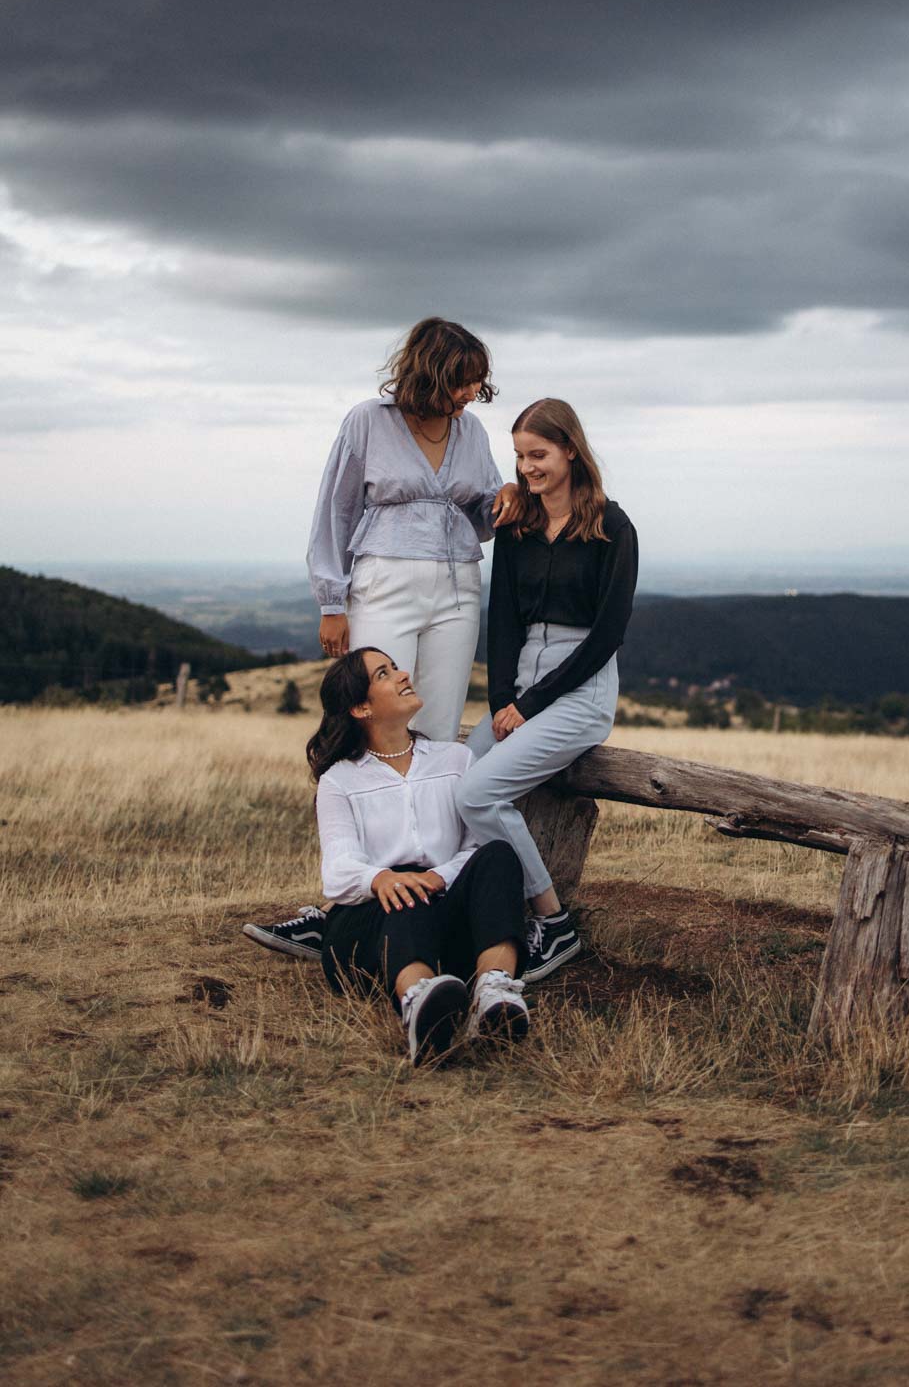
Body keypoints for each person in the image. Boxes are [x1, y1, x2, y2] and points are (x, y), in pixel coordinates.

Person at [243, 316, 517, 961]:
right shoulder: (367, 421)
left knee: (441, 737)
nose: (476, 391)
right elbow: (335, 511)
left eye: (479, 381)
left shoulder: (472, 430)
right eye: (465, 379)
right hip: (383, 582)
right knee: (371, 725)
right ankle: (350, 900)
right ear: (434, 371)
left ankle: (436, 890)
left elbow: (478, 518)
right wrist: (332, 601)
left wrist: (500, 498)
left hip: (457, 590)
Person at [458, 398, 638, 983]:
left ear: (570, 450)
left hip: (579, 692)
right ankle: (469, 910)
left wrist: (530, 707)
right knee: (458, 775)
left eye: (538, 454)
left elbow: (607, 636)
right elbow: (504, 619)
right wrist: (501, 705)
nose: (528, 467)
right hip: (519, 689)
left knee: (477, 794)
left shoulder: (614, 527)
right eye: (519, 456)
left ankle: (553, 921)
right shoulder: (519, 526)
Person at [312, 646, 530, 1065]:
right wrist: (381, 879)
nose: (402, 674)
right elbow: (337, 871)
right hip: (368, 931)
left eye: (394, 667)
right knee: (406, 884)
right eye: (383, 674)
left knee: (500, 853)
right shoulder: (339, 781)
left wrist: (441, 876)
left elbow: (476, 847)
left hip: (445, 919)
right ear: (360, 707)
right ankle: (419, 1001)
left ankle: (494, 993)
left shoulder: (455, 759)